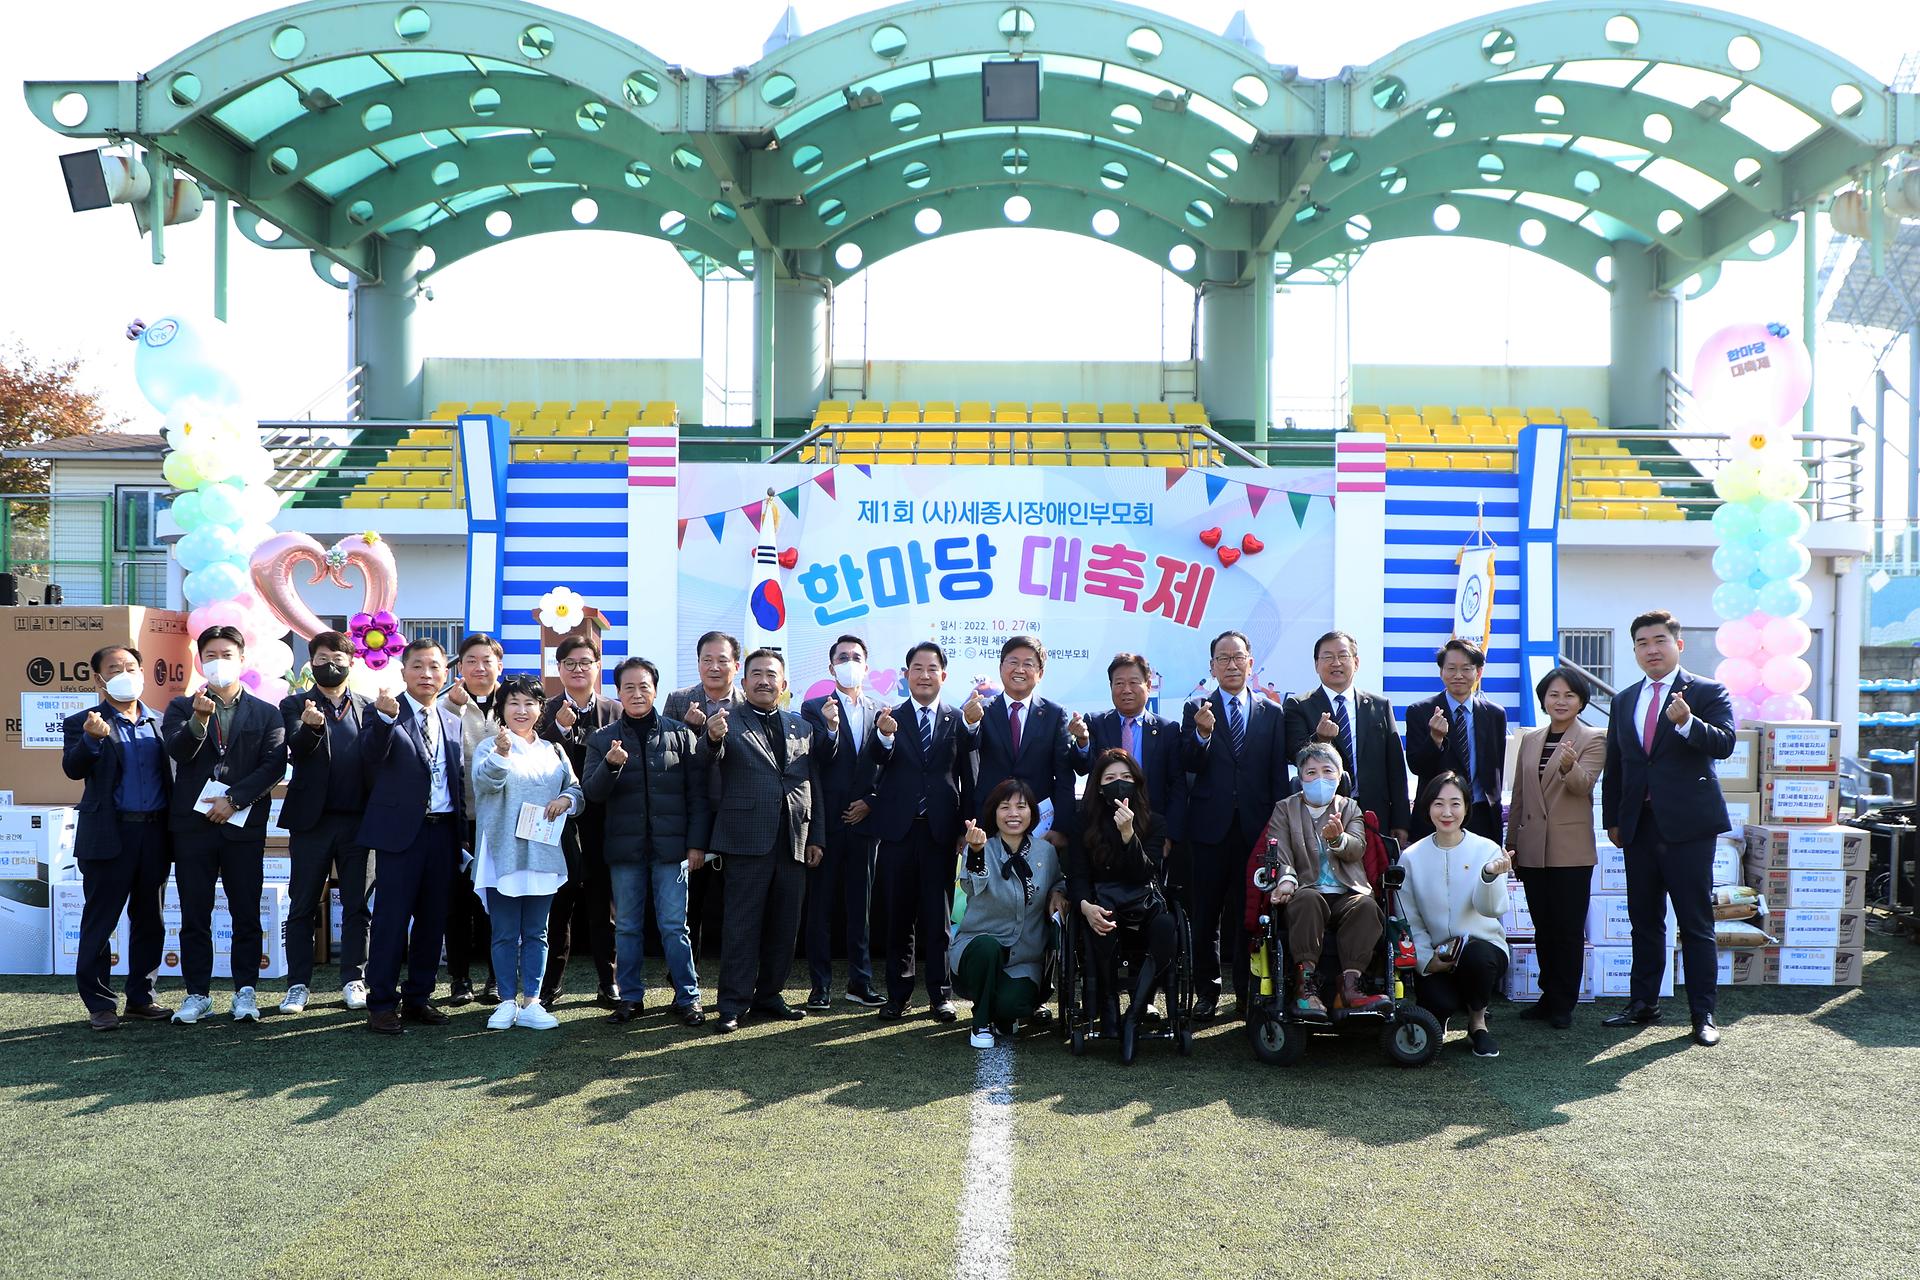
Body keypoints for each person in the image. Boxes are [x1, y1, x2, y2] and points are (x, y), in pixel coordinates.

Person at [1600, 609, 1737, 1048]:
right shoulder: (1624, 700)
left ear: (1678, 645)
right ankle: (1643, 1003)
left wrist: (1687, 723)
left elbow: (1725, 742)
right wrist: (1613, 820)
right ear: (1635, 650)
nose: (1650, 649)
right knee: (1644, 919)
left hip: (1689, 826)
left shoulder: (1706, 690)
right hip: (1638, 826)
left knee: (1695, 924)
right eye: (1641, 642)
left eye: (1658, 640)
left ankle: (1703, 1015)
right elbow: (1618, 763)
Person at [160, 625, 288, 1026]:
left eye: (227, 655)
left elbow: (274, 765)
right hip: (193, 827)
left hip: (241, 824)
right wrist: (199, 721)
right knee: (195, 912)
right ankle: (197, 993)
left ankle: (245, 990)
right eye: (211, 655)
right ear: (200, 661)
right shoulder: (181, 708)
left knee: (245, 910)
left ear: (242, 659)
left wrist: (233, 800)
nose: (219, 663)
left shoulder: (267, 712)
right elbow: (177, 750)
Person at [700, 649, 826, 1033]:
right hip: (745, 839)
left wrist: (816, 836)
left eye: (771, 675)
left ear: (784, 684)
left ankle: (770, 994)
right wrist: (711, 738)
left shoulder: (801, 726)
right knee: (741, 925)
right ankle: (732, 1004)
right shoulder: (726, 722)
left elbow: (811, 783)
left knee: (785, 925)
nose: (764, 681)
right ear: (743, 681)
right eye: (756, 674)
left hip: (794, 838)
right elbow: (709, 759)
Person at [583, 656, 711, 1027]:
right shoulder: (602, 739)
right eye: (628, 687)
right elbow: (592, 794)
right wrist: (610, 765)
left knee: (674, 925)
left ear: (655, 689)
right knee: (626, 927)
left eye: (644, 686)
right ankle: (630, 998)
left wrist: (696, 845)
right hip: (625, 852)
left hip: (672, 852)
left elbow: (697, 797)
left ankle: (688, 997)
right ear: (617, 692)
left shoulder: (680, 733)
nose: (637, 693)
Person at [358, 639, 467, 1036]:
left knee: (433, 920)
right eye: (418, 666)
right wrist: (385, 721)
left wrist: (463, 839)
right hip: (400, 835)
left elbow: (455, 781)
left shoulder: (452, 720)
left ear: (445, 673)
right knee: (390, 921)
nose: (426, 674)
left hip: (443, 832)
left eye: (434, 667)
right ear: (403, 671)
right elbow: (368, 758)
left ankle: (419, 997)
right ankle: (381, 1004)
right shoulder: (384, 711)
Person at [1181, 629, 1290, 1020]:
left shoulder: (1272, 712)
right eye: (1222, 658)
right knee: (1206, 915)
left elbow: (1278, 775)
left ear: (1250, 662)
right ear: (1211, 666)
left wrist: (1277, 829)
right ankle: (1207, 993)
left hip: (1256, 830)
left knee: (1249, 915)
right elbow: (1189, 764)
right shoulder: (1196, 708)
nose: (1231, 664)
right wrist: (1203, 734)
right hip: (1209, 830)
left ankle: (1247, 993)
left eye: (1237, 657)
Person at [63, 645, 172, 1031]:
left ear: (143, 672)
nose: (125, 673)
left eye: (131, 666)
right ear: (98, 679)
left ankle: (142, 997)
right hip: (108, 834)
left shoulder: (161, 721)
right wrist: (92, 740)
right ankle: (99, 1003)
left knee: (150, 919)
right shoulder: (84, 722)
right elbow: (74, 769)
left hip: (155, 832)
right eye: (114, 668)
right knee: (101, 919)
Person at [864, 641, 974, 1021]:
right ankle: (898, 994)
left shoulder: (958, 719)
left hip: (940, 834)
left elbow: (968, 778)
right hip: (898, 832)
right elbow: (875, 761)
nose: (925, 675)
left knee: (938, 918)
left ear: (943, 676)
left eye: (932, 669)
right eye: (917, 668)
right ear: (905, 674)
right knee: (898, 917)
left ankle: (940, 995)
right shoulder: (889, 717)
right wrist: (885, 736)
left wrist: (966, 827)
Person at [471, 675, 582, 1031]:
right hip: (503, 852)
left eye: (529, 703)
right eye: (513, 703)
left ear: (540, 709)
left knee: (537, 931)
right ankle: (505, 1001)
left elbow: (576, 790)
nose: (522, 710)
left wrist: (566, 799)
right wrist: (503, 754)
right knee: (504, 931)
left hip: (543, 853)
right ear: (502, 709)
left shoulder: (554, 750)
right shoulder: (490, 746)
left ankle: (532, 1002)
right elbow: (486, 784)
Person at [1255, 742, 1390, 1020]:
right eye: (1311, 772)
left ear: (1339, 776)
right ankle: (1306, 988)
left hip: (1346, 891)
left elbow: (1357, 847)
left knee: (1366, 906)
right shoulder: (1285, 808)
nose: (1319, 778)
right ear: (1300, 777)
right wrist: (1287, 880)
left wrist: (1337, 839)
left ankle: (1350, 987)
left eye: (1327, 771)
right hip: (1307, 889)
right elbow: (1279, 849)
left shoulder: (1350, 807)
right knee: (1306, 899)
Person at [276, 630, 373, 1014]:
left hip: (360, 822)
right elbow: (295, 752)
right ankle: (298, 984)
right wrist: (311, 727)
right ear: (310, 663)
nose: (329, 663)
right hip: (312, 823)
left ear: (351, 662)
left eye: (337, 656)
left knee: (357, 905)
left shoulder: (368, 706)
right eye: (320, 658)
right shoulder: (294, 704)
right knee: (302, 905)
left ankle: (354, 978)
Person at [1505, 666, 1605, 1029]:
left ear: (1581, 701)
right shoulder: (1531, 739)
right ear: (1543, 699)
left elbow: (1584, 787)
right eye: (1553, 695)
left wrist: (1569, 766)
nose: (1560, 701)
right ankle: (1548, 995)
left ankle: (1564, 1001)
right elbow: (1519, 793)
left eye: (1569, 695)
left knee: (1567, 928)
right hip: (1532, 847)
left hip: (1570, 850)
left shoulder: (1594, 737)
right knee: (1543, 927)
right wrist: (1512, 841)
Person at [1066, 750, 1172, 1063]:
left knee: (1168, 927)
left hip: (1144, 904)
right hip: (1102, 904)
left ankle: (1134, 1015)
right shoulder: (1082, 821)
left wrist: (1129, 835)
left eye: (1126, 778)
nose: (1119, 784)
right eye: (1110, 778)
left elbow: (1146, 873)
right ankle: (1108, 1004)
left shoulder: (1154, 822)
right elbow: (1077, 874)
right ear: (1098, 786)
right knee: (1100, 922)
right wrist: (1085, 906)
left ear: (1137, 783)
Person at [799, 634, 885, 1010]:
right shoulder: (813, 708)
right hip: (826, 824)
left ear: (866, 666)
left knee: (860, 909)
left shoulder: (883, 710)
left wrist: (870, 801)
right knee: (820, 909)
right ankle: (820, 986)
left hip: (865, 824)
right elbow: (815, 761)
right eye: (843, 657)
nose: (850, 662)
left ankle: (859, 982)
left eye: (856, 657)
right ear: (831, 666)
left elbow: (888, 767)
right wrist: (831, 729)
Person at [535, 635, 620, 1008]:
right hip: (559, 824)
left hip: (605, 822)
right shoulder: (544, 710)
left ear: (597, 666)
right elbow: (535, 760)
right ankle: (550, 983)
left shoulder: (615, 710)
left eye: (586, 662)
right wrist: (560, 729)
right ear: (559, 669)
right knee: (559, 906)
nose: (578, 669)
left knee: (605, 906)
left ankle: (610, 982)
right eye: (570, 663)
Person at [1398, 772, 1510, 1058]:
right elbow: (1408, 917)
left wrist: (1488, 876)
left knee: (1478, 958)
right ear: (1427, 808)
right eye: (1438, 803)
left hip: (1480, 948)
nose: (1447, 812)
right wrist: (1426, 959)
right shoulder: (1411, 856)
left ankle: (1477, 1022)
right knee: (1438, 1003)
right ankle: (1444, 1015)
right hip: (1437, 953)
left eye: (1455, 804)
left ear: (1466, 808)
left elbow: (1494, 909)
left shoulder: (1486, 849)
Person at [952, 780, 1066, 1050]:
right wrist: (976, 853)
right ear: (994, 813)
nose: (1013, 814)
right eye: (1005, 807)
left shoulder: (1045, 852)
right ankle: (980, 1023)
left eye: (1021, 807)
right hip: (978, 947)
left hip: (1023, 957)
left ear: (1032, 814)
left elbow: (1059, 881)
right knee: (987, 947)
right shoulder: (980, 845)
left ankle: (1001, 1011)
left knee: (1014, 1005)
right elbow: (971, 885)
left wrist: (1058, 893)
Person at [1281, 630, 1411, 844]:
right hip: (1322, 814)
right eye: (1328, 657)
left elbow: (1395, 768)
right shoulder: (1299, 706)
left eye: (1343, 656)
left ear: (1356, 662)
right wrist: (1320, 740)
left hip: (1374, 814)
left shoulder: (1379, 706)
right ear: (1316, 664)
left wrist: (1401, 821)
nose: (1336, 663)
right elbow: (1294, 754)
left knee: (1374, 875)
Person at [664, 630, 746, 960]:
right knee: (688, 903)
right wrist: (690, 730)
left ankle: (737, 979)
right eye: (706, 660)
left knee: (738, 903)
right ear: (697, 664)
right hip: (692, 814)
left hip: (737, 814)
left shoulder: (750, 702)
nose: (714, 667)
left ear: (736, 665)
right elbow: (666, 758)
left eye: (722, 660)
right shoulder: (679, 700)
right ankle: (683, 980)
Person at [963, 635, 1081, 848]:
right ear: (1001, 668)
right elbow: (968, 754)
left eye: (1028, 664)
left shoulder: (1055, 714)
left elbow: (1064, 776)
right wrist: (971, 723)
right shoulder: (982, 710)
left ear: (1040, 673)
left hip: (1039, 824)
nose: (1020, 669)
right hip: (988, 821)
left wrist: (1061, 827)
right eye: (1013, 662)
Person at [443, 633, 506, 1006]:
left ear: (500, 665)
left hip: (500, 823)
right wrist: (451, 709)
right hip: (459, 821)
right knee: (457, 903)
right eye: (471, 661)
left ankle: (496, 978)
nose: (480, 668)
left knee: (496, 901)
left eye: (487, 660)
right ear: (460, 667)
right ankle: (459, 979)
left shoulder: (515, 701)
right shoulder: (446, 706)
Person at [1071, 653, 1188, 854]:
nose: (1126, 690)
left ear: (1148, 685)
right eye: (1119, 683)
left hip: (1151, 825)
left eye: (1134, 682)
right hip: (1103, 825)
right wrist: (1082, 740)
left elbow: (1177, 785)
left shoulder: (1167, 730)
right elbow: (1083, 768)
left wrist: (1169, 835)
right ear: (1110, 687)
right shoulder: (1096, 723)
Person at [1404, 639, 1507, 844]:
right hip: (1438, 815)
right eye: (1451, 668)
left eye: (1466, 669)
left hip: (1482, 815)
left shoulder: (1495, 714)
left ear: (1478, 673)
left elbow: (1497, 768)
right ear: (1441, 672)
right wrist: (1435, 738)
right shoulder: (1420, 712)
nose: (1458, 675)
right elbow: (1416, 766)